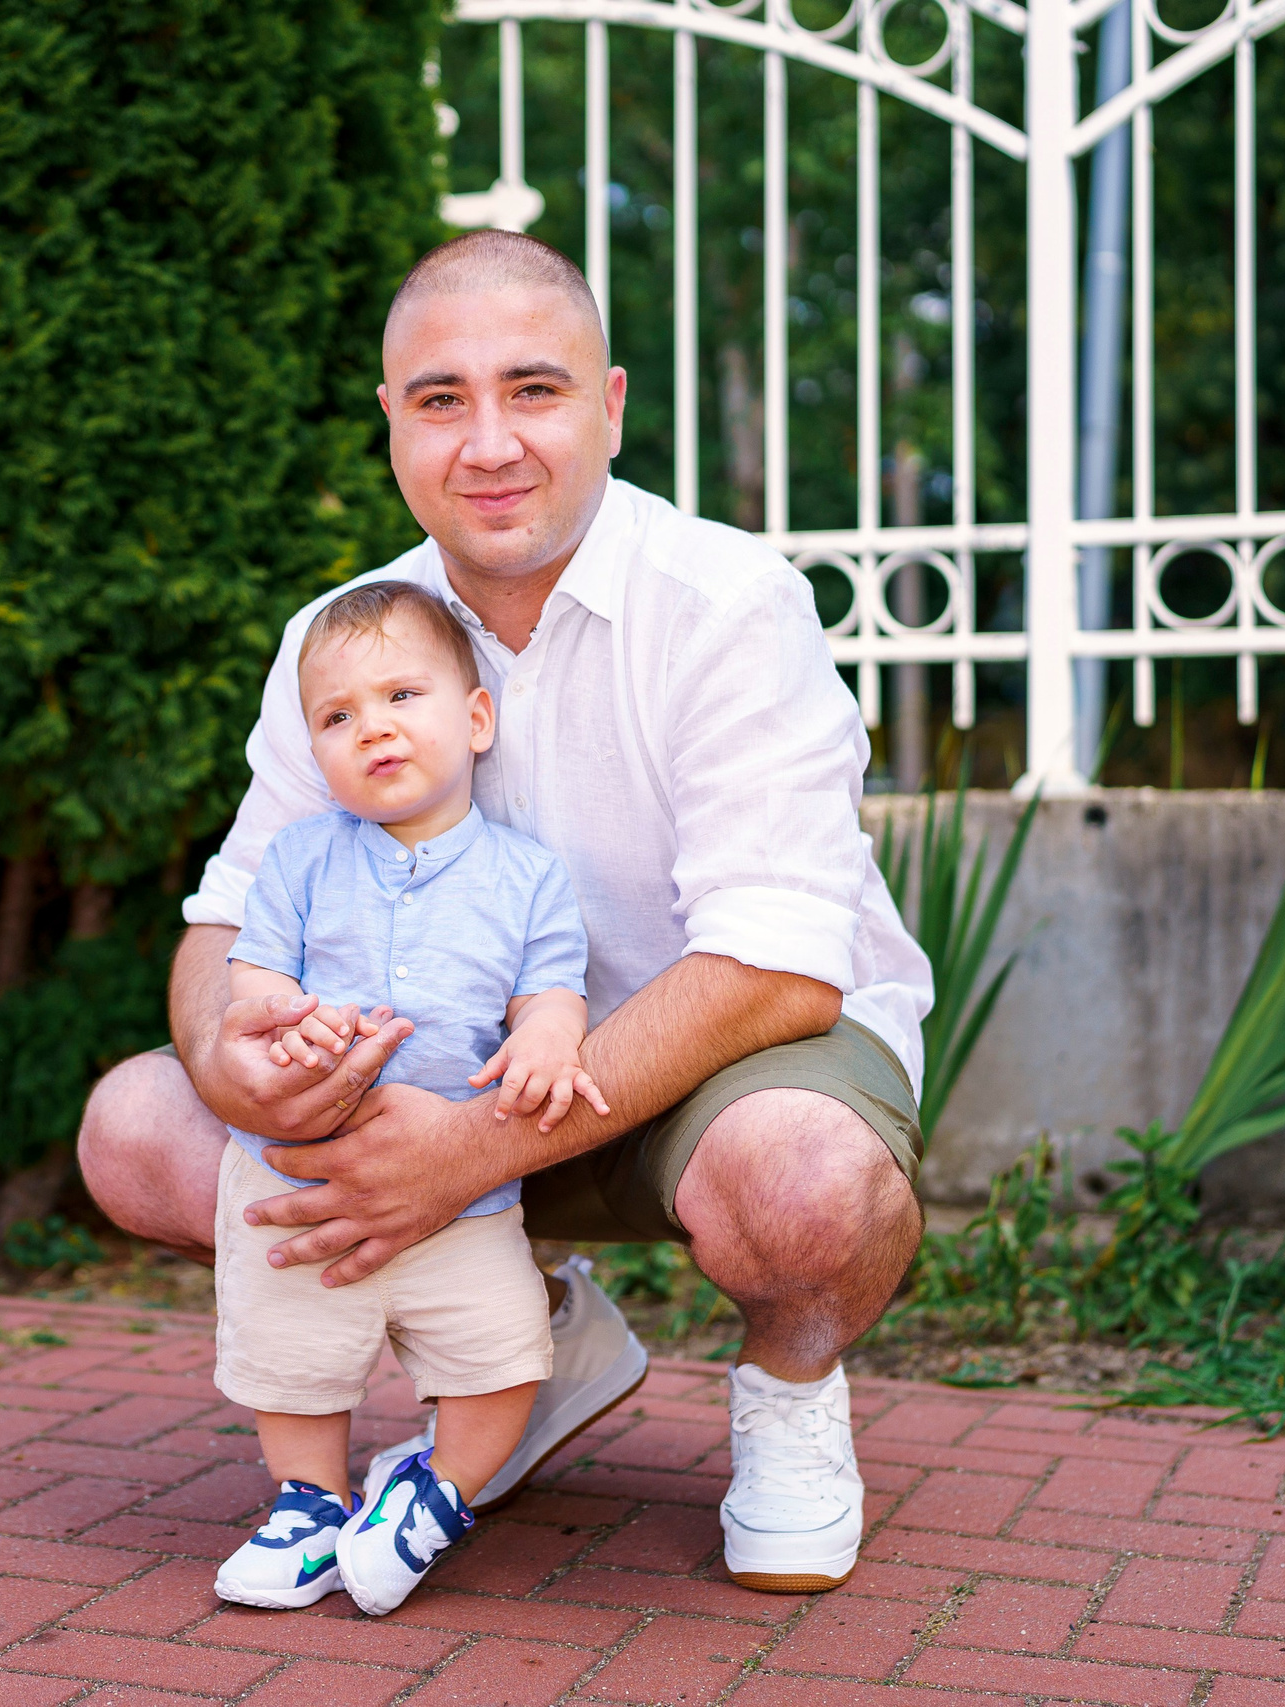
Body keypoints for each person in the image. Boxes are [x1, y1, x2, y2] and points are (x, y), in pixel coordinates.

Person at [79, 228, 932, 1594]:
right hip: (454, 1072)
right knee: (139, 1125)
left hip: (727, 1065)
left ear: (609, 405)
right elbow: (224, 917)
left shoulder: (725, 604)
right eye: (440, 400)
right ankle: (520, 1343)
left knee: (806, 1182)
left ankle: (788, 1394)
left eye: (533, 390)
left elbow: (778, 973)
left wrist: (467, 1152)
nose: (487, 443)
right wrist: (228, 1052)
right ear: (392, 426)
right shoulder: (344, 637)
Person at [210, 580, 607, 1617]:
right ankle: (309, 1504)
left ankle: (436, 1491)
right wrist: (280, 1015)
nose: (371, 728)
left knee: (502, 1356)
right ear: (316, 751)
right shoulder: (300, 859)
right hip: (305, 1172)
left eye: (401, 696)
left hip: (465, 1183)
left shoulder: (526, 875)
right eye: (337, 717)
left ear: (475, 720)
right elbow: (253, 974)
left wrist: (549, 1034)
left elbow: (550, 985)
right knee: (291, 1356)